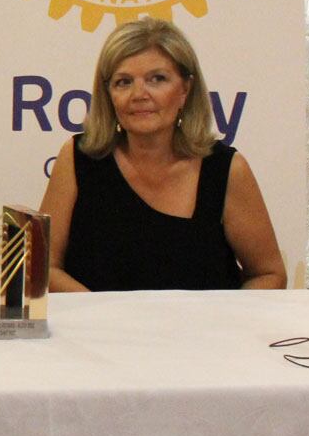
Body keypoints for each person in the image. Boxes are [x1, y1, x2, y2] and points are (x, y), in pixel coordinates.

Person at [41, 19, 284, 291]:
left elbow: (269, 274)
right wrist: (105, 316)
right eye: (123, 82)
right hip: (98, 331)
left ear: (184, 90)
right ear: (108, 94)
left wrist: (220, 325)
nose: (139, 94)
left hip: (200, 332)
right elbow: (43, 267)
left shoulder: (225, 168)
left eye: (157, 79)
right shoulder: (78, 158)